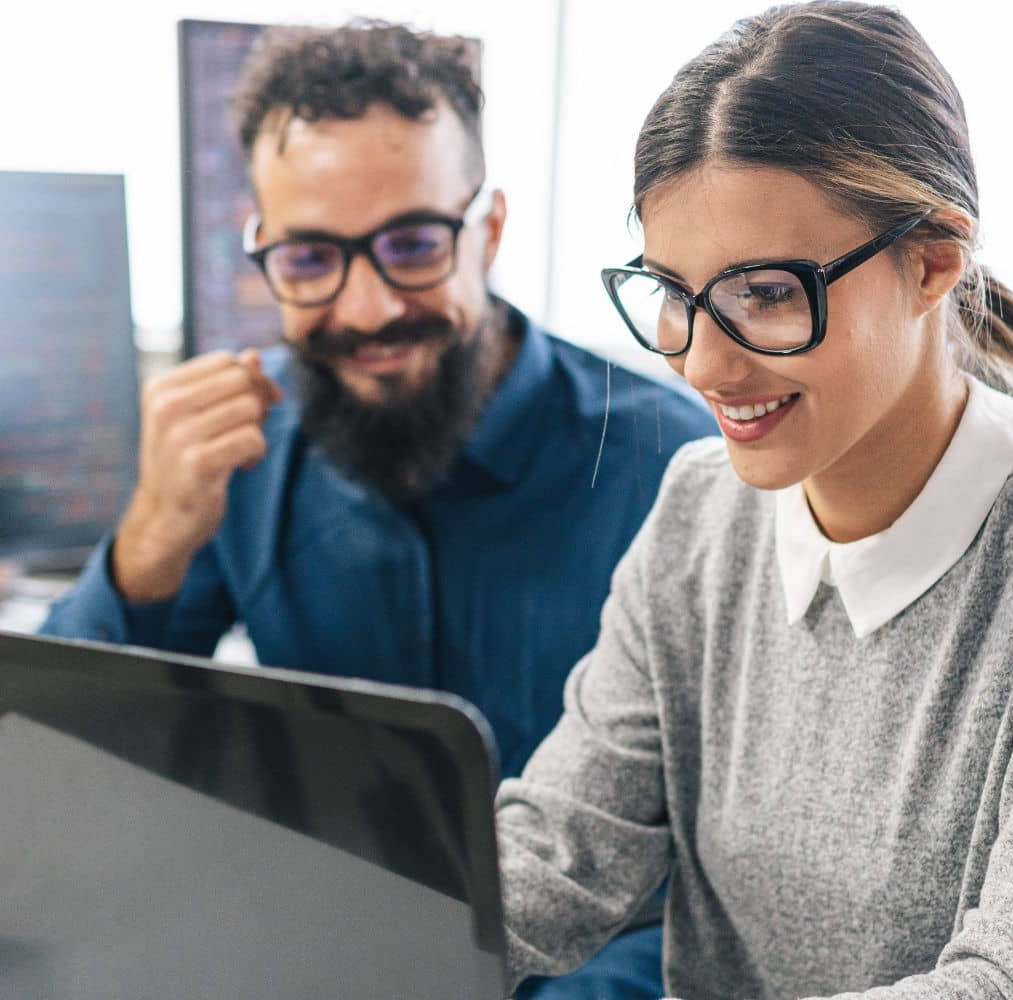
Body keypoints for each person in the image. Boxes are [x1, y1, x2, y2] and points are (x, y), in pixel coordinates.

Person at [494, 3, 1013, 997]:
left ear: (932, 260)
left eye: (763, 293)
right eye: (672, 293)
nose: (702, 362)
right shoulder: (698, 508)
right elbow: (561, 856)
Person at [39, 20, 716, 998]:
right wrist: (145, 544)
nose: (362, 310)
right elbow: (54, 752)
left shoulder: (667, 467)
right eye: (309, 259)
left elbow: (718, 886)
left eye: (409, 245)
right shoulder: (244, 445)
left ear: (485, 232)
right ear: (262, 252)